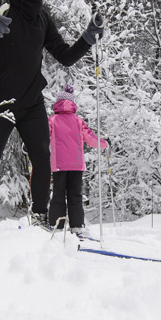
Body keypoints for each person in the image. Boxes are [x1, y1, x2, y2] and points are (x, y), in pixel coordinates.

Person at [0, 0, 104, 232]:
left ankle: (39, 217)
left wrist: (88, 38)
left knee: (41, 157)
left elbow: (64, 55)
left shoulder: (41, 16)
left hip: (30, 100)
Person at [46, 85, 108, 232]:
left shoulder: (52, 120)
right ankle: (77, 226)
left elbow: (42, 138)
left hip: (59, 165)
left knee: (58, 196)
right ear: (72, 103)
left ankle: (57, 226)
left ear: (57, 103)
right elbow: (91, 139)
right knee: (75, 196)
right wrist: (105, 143)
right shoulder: (78, 121)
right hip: (76, 165)